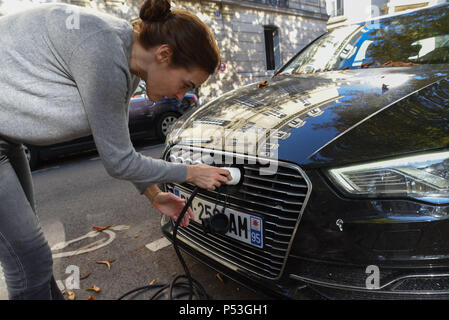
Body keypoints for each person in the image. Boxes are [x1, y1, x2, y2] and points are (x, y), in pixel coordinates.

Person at [0, 0, 231, 300]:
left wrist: (154, 194)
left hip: (7, 139)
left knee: (33, 260)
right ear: (164, 54)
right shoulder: (105, 50)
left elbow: (116, 145)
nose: (181, 95)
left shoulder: (126, 56)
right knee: (29, 263)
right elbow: (118, 161)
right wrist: (192, 173)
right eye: (186, 84)